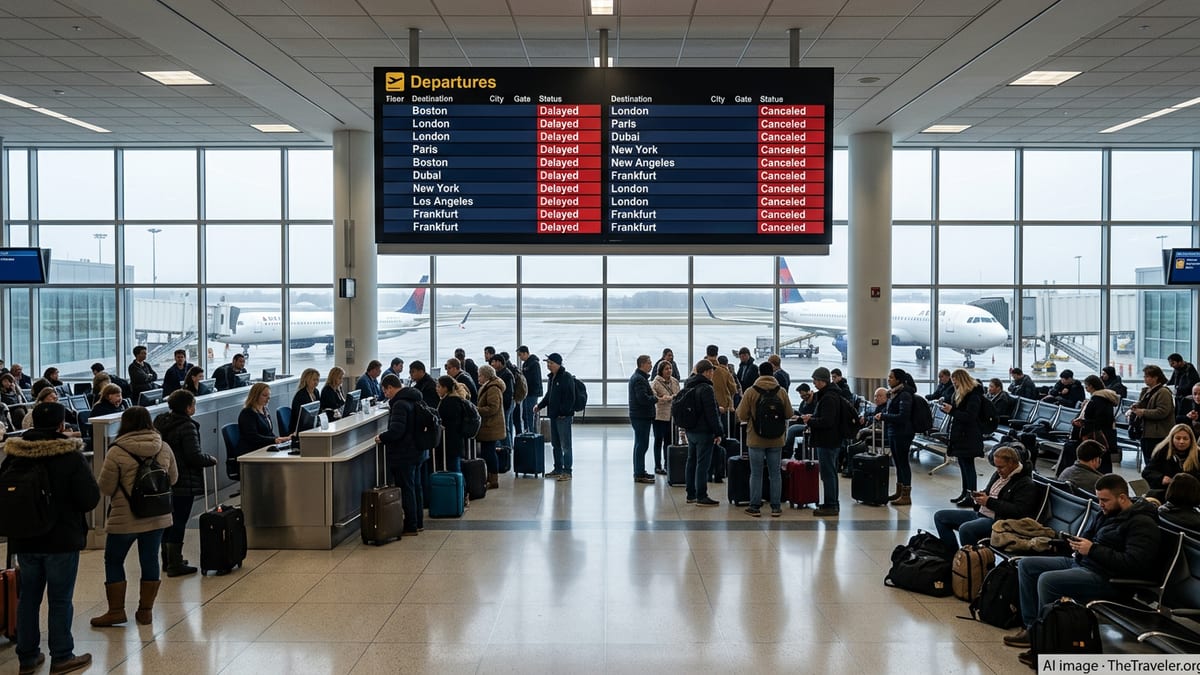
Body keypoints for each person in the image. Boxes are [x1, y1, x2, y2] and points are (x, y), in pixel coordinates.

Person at [1005, 474, 1160, 669]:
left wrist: (1092, 549)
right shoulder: (1107, 513)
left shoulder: (1142, 524)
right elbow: (1090, 536)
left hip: (1108, 578)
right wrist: (1076, 543)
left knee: (1048, 580)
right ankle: (1033, 631)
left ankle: (1046, 644)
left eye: (1104, 500)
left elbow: (1134, 564)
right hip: (1083, 563)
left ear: (1122, 498)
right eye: (1099, 499)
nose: (1100, 504)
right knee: (1027, 566)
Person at [3, 402, 98, 675]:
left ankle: (27, 657)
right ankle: (62, 656)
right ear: (61, 425)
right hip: (61, 539)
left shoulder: (15, 455)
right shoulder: (69, 456)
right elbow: (89, 498)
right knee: (59, 599)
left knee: (28, 598)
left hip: (24, 538)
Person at [90, 407, 178, 629]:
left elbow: (106, 487)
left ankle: (116, 611)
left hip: (125, 517)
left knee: (114, 560)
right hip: (157, 516)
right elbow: (174, 478)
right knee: (150, 559)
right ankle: (145, 611)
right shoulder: (163, 446)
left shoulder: (117, 450)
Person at [154, 390, 217, 578]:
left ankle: (167, 560)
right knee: (179, 521)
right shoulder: (187, 426)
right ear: (188, 407)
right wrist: (209, 459)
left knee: (168, 520)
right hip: (184, 480)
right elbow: (193, 456)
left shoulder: (161, 422)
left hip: (165, 479)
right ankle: (175, 563)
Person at [932, 445, 1039, 552]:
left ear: (1011, 463)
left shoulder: (1025, 483)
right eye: (996, 467)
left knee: (966, 529)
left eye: (1001, 467)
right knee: (940, 516)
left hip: (999, 522)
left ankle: (974, 559)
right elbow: (989, 492)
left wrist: (988, 501)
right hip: (982, 514)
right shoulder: (999, 474)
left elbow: (1019, 511)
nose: (998, 470)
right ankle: (952, 555)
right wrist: (981, 496)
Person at [736, 361, 792, 517]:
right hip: (777, 439)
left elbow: (741, 415)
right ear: (773, 374)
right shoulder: (781, 391)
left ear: (759, 373)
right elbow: (789, 413)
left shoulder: (751, 391)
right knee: (775, 474)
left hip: (756, 439)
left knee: (756, 473)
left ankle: (755, 506)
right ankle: (776, 507)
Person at [376, 373, 426, 535]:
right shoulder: (415, 398)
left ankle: (410, 525)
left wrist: (382, 437)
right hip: (418, 450)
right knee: (416, 488)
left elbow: (397, 431)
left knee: (406, 489)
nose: (385, 395)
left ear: (390, 387)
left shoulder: (399, 404)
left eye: (385, 391)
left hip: (405, 453)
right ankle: (418, 522)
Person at [679, 360, 723, 507]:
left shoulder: (688, 385)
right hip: (704, 432)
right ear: (706, 372)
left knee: (691, 461)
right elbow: (712, 413)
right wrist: (718, 432)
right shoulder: (706, 388)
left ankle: (690, 494)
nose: (712, 374)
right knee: (702, 464)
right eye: (711, 371)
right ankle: (701, 496)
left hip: (691, 430)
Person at [803, 367, 845, 517]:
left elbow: (827, 421)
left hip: (827, 440)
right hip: (832, 439)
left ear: (822, 381)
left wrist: (810, 421)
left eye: (815, 380)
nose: (814, 383)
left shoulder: (828, 398)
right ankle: (831, 502)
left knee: (828, 474)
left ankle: (831, 505)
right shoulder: (832, 395)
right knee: (831, 473)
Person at [942, 368, 985, 507]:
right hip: (961, 434)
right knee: (963, 465)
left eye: (956, 382)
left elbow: (970, 416)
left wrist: (952, 411)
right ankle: (965, 492)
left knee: (968, 466)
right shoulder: (960, 394)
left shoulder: (973, 395)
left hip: (969, 435)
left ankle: (971, 495)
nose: (954, 385)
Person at [534, 353, 576, 481]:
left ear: (558, 364)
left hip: (563, 417)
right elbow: (549, 395)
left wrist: (564, 412)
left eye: (551, 363)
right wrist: (540, 406)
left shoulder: (566, 377)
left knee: (565, 445)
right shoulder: (552, 377)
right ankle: (558, 469)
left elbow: (571, 397)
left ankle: (567, 471)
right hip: (553, 415)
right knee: (555, 444)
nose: (548, 365)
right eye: (547, 363)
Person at [878, 368, 916, 506]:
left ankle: (906, 494)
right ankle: (899, 491)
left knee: (903, 462)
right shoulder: (894, 393)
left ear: (898, 380)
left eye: (891, 377)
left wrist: (884, 416)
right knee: (897, 463)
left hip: (902, 433)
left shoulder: (904, 395)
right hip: (893, 431)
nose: (888, 379)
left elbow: (903, 416)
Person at [1066, 375, 1119, 474]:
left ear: (1091, 386)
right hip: (1105, 434)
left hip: (1096, 435)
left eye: (1086, 385)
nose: (1085, 388)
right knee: (1104, 462)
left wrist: (1083, 422)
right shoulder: (1106, 398)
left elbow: (1098, 419)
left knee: (1097, 462)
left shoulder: (1097, 400)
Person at [1130, 364, 1175, 466]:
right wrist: (1137, 406)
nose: (1144, 379)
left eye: (1147, 376)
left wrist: (1143, 412)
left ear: (1155, 378)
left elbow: (1162, 412)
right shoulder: (1147, 391)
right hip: (1146, 432)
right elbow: (1146, 404)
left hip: (1158, 434)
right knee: (1148, 461)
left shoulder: (1163, 392)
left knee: (1156, 462)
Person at [1141, 423, 1200, 501]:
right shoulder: (1162, 451)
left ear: (1191, 440)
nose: (1181, 442)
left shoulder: (1197, 454)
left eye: (1185, 439)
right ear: (1172, 438)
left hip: (1191, 495)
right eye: (1178, 438)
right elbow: (1147, 472)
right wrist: (1161, 478)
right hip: (1166, 493)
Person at [235, 383, 289, 462]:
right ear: (255, 396)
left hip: (263, 449)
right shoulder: (247, 413)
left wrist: (283, 440)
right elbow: (253, 437)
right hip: (250, 452)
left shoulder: (265, 410)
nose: (268, 398)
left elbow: (269, 433)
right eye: (264, 395)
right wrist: (275, 440)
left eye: (269, 395)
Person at [628, 355, 658, 484]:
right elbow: (642, 398)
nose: (651, 365)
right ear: (642, 364)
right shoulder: (639, 379)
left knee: (639, 444)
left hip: (639, 416)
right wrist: (656, 399)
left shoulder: (639, 377)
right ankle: (639, 473)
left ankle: (639, 471)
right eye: (649, 363)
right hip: (641, 416)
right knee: (642, 445)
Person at [476, 365, 506, 489]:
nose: (478, 378)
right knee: (488, 452)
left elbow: (493, 408)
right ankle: (490, 477)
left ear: (486, 376)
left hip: (491, 426)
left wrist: (477, 409)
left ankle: (493, 479)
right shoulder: (489, 386)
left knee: (489, 453)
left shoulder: (493, 388)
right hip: (489, 426)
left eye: (480, 375)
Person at [650, 360, 680, 476]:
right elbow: (656, 399)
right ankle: (658, 466)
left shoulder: (675, 381)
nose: (669, 371)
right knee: (658, 441)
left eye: (670, 368)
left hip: (672, 416)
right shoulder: (655, 383)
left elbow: (678, 396)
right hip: (659, 416)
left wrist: (668, 397)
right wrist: (669, 398)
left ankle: (668, 464)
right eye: (666, 369)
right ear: (661, 371)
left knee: (669, 441)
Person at [435, 375, 466, 478]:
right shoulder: (455, 399)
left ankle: (459, 486)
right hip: (455, 439)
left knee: (453, 467)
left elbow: (448, 420)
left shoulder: (450, 402)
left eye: (439, 387)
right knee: (454, 464)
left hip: (450, 440)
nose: (437, 389)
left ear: (445, 388)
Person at [486, 354, 515, 450]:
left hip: (505, 404)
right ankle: (505, 448)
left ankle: (507, 448)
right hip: (503, 404)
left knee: (504, 427)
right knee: (505, 426)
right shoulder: (499, 373)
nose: (492, 364)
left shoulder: (507, 374)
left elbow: (509, 393)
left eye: (493, 362)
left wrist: (505, 406)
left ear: (499, 362)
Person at [784, 382, 818, 459]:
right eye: (802, 396)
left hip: (812, 424)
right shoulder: (804, 403)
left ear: (809, 391)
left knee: (792, 430)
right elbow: (802, 414)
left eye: (805, 395)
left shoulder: (816, 401)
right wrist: (798, 417)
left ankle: (787, 452)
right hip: (805, 423)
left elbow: (814, 415)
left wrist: (801, 417)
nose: (803, 398)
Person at [704, 345, 737, 417]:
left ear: (707, 354)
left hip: (704, 408)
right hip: (722, 407)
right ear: (717, 354)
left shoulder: (698, 369)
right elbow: (733, 389)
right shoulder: (724, 372)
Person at [517, 346, 543, 432]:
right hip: (527, 393)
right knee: (526, 414)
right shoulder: (526, 364)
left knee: (530, 413)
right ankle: (527, 430)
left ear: (525, 353)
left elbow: (535, 379)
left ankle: (532, 432)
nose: (520, 357)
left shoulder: (534, 364)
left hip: (532, 393)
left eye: (520, 355)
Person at [289, 368, 321, 435]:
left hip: (312, 424)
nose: (316, 382)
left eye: (317, 380)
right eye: (314, 380)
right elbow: (300, 415)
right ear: (307, 380)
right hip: (300, 428)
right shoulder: (301, 395)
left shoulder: (316, 392)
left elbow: (319, 409)